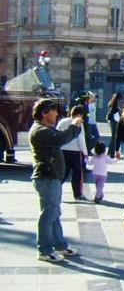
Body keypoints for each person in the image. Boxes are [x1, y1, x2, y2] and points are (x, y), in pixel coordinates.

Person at [30, 99, 84, 262]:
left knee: (54, 213)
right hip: (47, 178)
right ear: (44, 113)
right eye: (53, 111)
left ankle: (59, 245)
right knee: (48, 214)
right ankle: (44, 250)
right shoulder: (40, 131)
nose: (56, 114)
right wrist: (74, 125)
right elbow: (61, 138)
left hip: (52, 177)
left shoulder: (45, 129)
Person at [58, 105, 88, 200]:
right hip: (75, 152)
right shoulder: (79, 123)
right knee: (77, 174)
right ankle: (78, 194)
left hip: (63, 151)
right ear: (79, 114)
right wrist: (85, 152)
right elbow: (81, 139)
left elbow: (57, 134)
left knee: (63, 173)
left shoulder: (62, 122)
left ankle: (57, 192)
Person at [106, 92, 123, 158]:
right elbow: (113, 113)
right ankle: (112, 154)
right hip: (114, 122)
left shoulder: (112, 102)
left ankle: (109, 153)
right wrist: (119, 111)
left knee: (113, 137)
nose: (121, 100)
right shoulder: (114, 104)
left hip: (112, 121)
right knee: (114, 138)